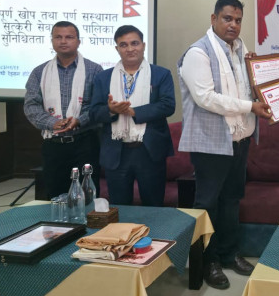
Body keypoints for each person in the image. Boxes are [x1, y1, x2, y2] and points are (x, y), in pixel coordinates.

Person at [178, 0, 271, 290]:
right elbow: (206, 98)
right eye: (227, 18)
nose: (233, 25)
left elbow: (247, 89)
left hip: (239, 140)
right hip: (211, 143)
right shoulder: (198, 53)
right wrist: (250, 106)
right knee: (208, 204)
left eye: (238, 20)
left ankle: (230, 254)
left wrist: (259, 74)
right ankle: (209, 261)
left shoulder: (240, 51)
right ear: (214, 19)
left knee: (231, 200)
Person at [90, 25, 175, 207]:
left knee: (153, 207)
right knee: (120, 208)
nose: (130, 49)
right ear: (117, 48)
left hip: (149, 151)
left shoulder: (161, 74)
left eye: (134, 43)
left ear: (143, 45)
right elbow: (94, 112)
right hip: (117, 152)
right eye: (123, 45)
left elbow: (168, 106)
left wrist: (135, 112)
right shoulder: (103, 78)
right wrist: (111, 110)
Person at [24, 21, 102, 199]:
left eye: (69, 37)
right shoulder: (39, 72)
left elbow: (98, 106)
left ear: (78, 41)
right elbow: (31, 105)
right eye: (58, 37)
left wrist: (79, 120)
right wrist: (53, 123)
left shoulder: (94, 70)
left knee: (87, 196)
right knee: (55, 196)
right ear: (52, 41)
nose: (63, 41)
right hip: (53, 144)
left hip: (85, 143)